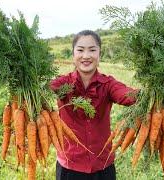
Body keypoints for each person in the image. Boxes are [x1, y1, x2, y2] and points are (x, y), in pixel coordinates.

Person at [50, 30, 139, 180]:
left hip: (103, 166)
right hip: (70, 166)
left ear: (99, 54)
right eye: (80, 50)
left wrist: (148, 93)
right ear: (73, 55)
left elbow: (126, 95)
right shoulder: (63, 83)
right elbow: (43, 91)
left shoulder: (108, 84)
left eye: (92, 50)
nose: (86, 56)